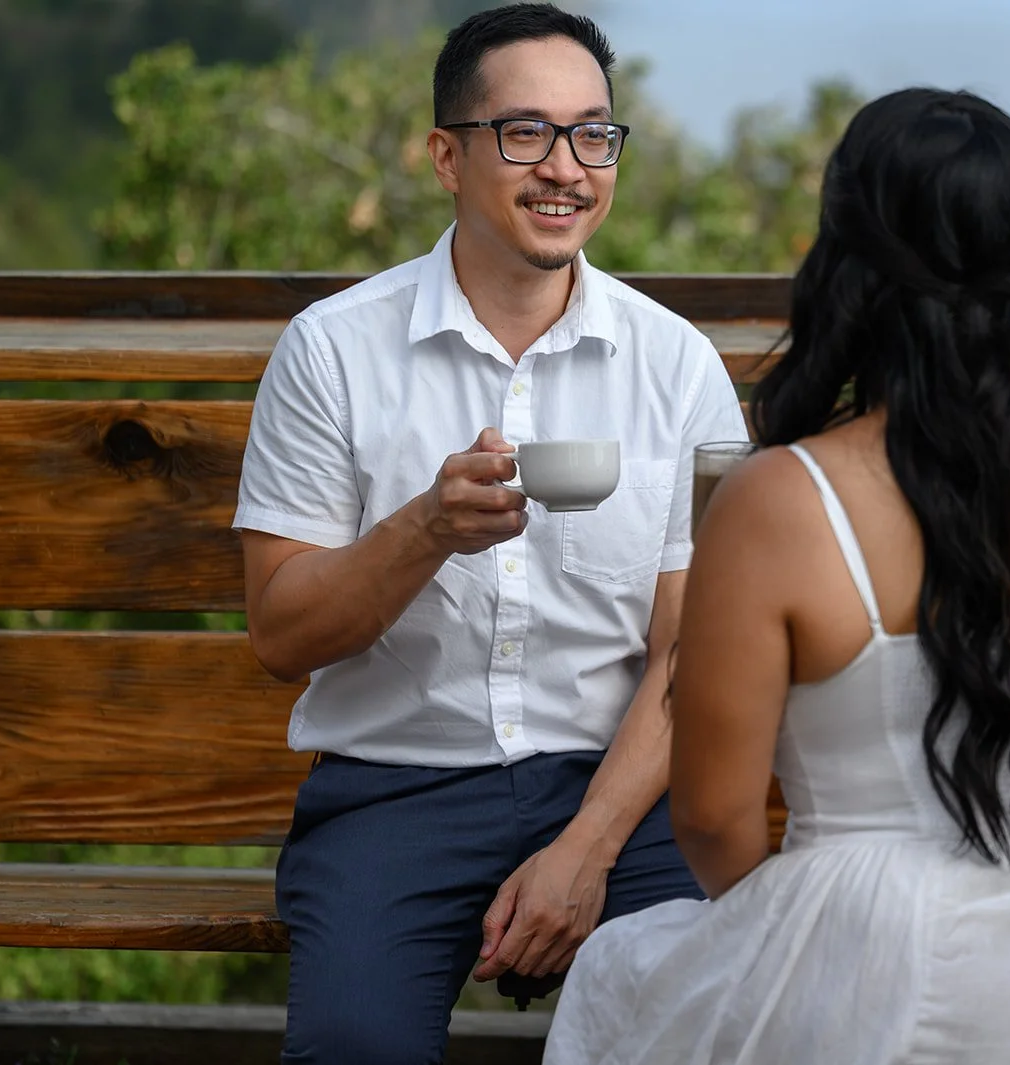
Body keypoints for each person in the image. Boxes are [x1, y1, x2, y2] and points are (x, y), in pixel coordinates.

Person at [544, 87, 1010, 1065]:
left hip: (899, 957)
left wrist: (809, 936)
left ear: (848, 262)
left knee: (619, 976)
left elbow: (714, 820)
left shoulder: (785, 499)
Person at [231, 5, 747, 1062]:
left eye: (593, 134)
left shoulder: (681, 364)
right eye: (526, 133)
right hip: (394, 790)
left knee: (724, 1024)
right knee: (351, 1047)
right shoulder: (329, 351)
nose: (566, 168)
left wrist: (586, 847)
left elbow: (695, 650)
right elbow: (282, 635)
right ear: (446, 157)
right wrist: (425, 529)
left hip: (621, 792)